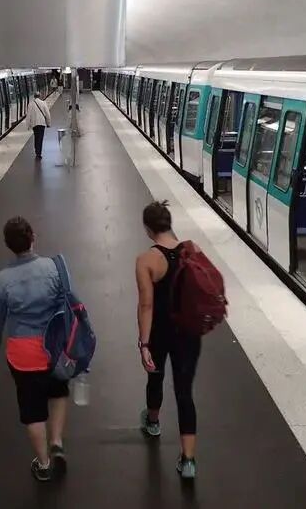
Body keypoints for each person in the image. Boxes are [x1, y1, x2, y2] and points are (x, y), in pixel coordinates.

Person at [0, 217, 68, 482]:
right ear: (33, 237)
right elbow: (66, 303)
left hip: (23, 355)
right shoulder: (54, 267)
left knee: (33, 412)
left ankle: (43, 464)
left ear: (8, 245)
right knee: (58, 392)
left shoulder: (1, 280)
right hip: (54, 349)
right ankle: (56, 441)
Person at [135, 200, 202, 479]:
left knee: (156, 377)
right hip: (189, 333)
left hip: (161, 332)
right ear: (169, 223)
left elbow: (146, 305)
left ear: (148, 229)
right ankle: (188, 461)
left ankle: (152, 421)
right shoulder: (192, 249)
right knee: (185, 392)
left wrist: (144, 344)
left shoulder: (146, 260)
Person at [26, 92, 51, 159]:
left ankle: (36, 150)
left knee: (36, 137)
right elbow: (47, 114)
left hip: (34, 124)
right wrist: (48, 123)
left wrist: (28, 125)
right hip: (42, 124)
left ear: (34, 97)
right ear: (39, 96)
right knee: (40, 138)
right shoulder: (43, 103)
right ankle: (39, 153)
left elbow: (28, 115)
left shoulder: (30, 104)